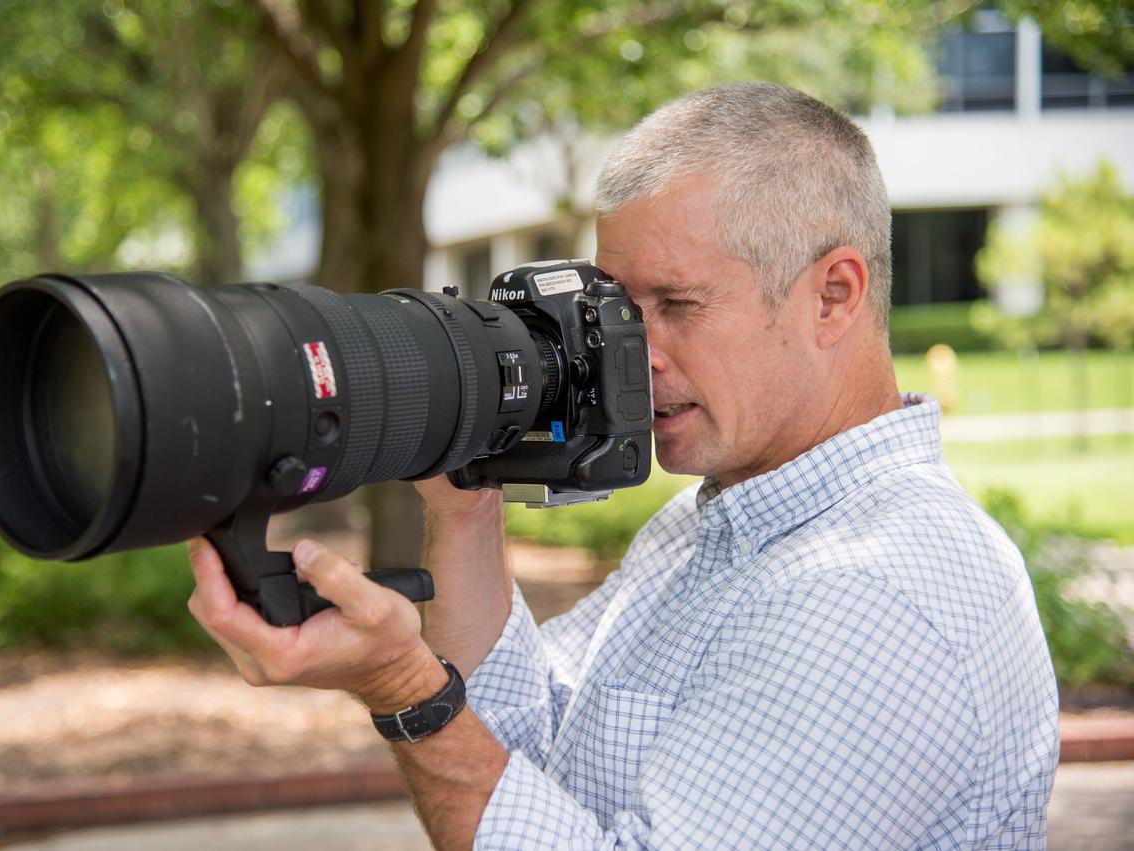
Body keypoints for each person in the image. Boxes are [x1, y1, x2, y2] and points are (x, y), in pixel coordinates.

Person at [186, 83, 1058, 849]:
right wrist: (463, 508)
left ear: (832, 294)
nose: (630, 359)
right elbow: (533, 741)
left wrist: (407, 691)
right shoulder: (712, 518)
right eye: (615, 308)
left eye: (676, 305)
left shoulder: (875, 597)